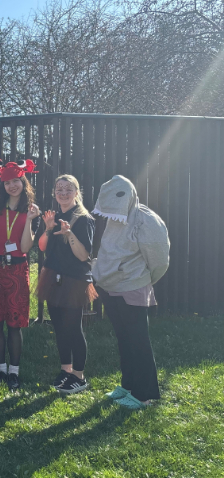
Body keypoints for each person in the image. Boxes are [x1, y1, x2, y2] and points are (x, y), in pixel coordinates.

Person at [92, 175, 169, 409]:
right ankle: (128, 385)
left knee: (139, 342)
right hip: (110, 287)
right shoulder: (114, 216)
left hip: (133, 289)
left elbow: (159, 260)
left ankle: (143, 395)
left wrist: (141, 280)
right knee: (124, 339)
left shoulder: (145, 220)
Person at [0, 160, 40, 390]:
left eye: (16, 181)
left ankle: (14, 372)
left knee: (14, 324)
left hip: (16, 269)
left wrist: (30, 222)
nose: (12, 186)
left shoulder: (31, 210)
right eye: (7, 182)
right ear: (1, 184)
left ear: (23, 182)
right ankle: (0, 370)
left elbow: (24, 248)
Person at [37, 174, 97, 395]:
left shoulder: (84, 218)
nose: (63, 193)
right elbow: (42, 248)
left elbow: (83, 256)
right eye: (59, 189)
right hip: (52, 277)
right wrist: (48, 227)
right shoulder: (52, 216)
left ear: (76, 192)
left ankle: (79, 376)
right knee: (59, 327)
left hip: (74, 279)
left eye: (68, 189)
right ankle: (66, 370)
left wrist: (69, 233)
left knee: (73, 328)